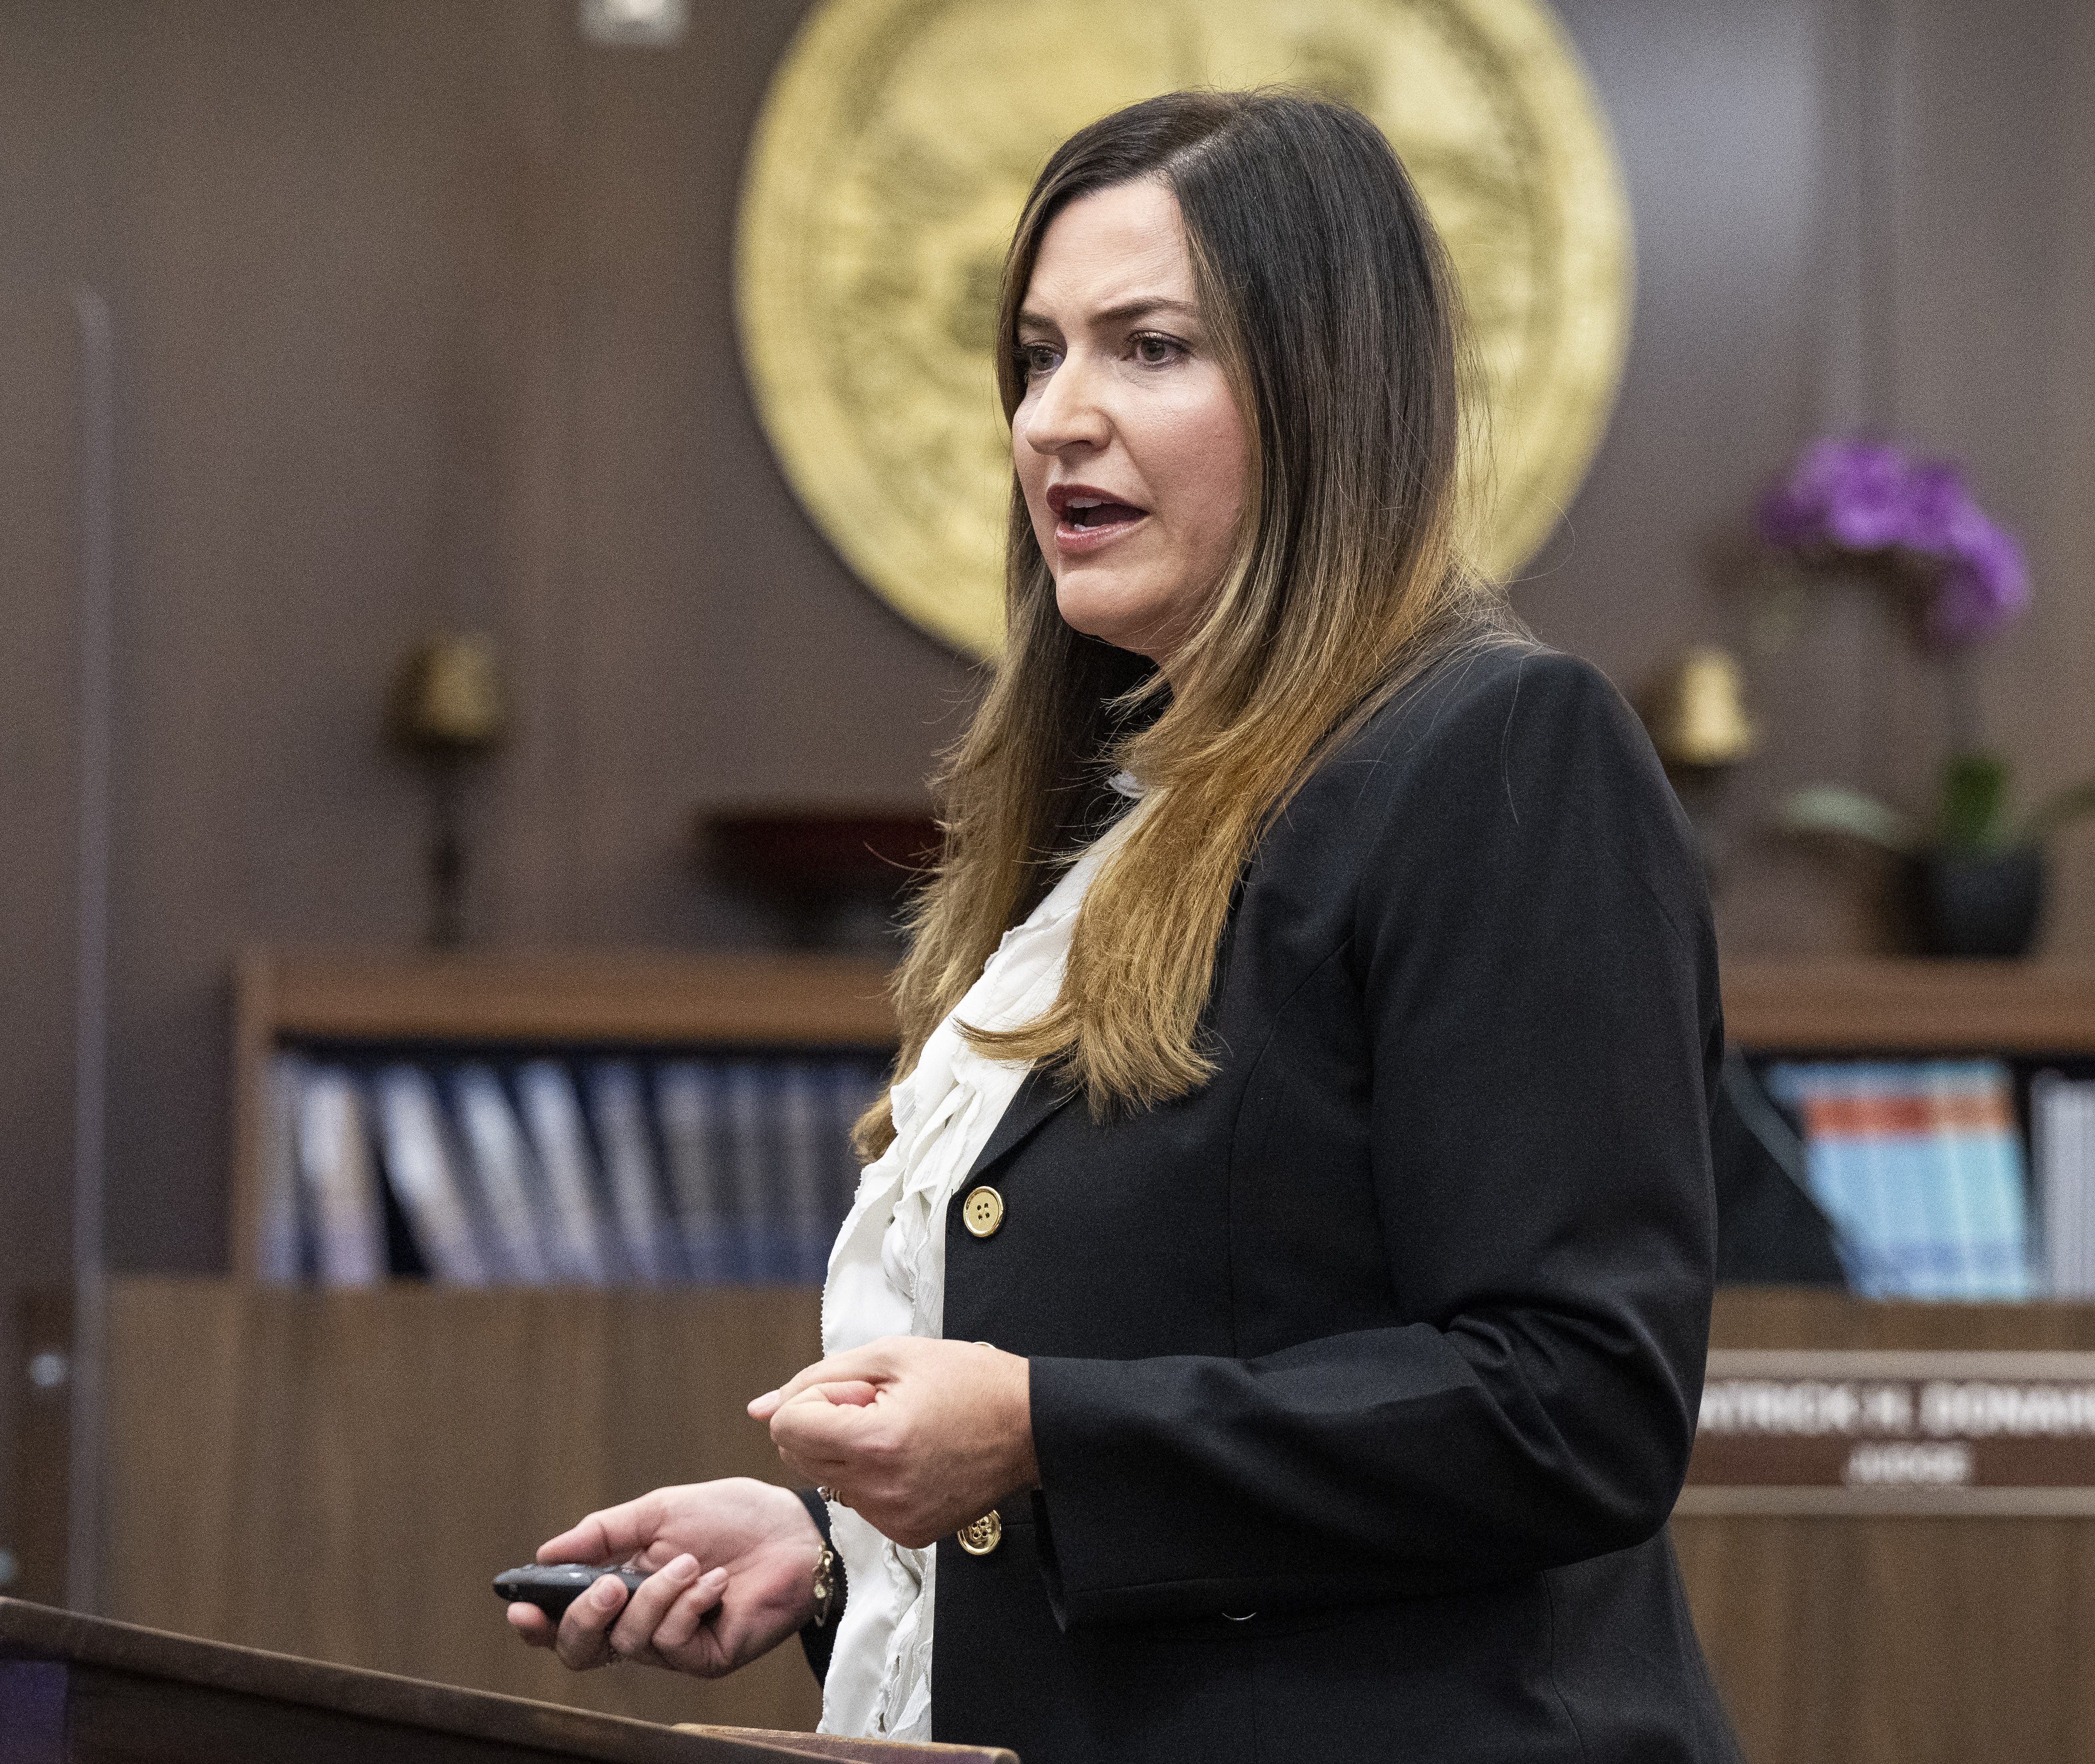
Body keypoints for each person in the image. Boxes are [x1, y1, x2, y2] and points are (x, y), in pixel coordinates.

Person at [507, 87, 1741, 1762]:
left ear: (1324, 398)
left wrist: (1034, 1433)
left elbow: (1573, 1402)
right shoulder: (1101, 831)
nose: (1055, 421)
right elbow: (1209, 1392)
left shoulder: (1496, 755)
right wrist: (841, 1561)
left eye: (1147, 348)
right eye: (1034, 356)